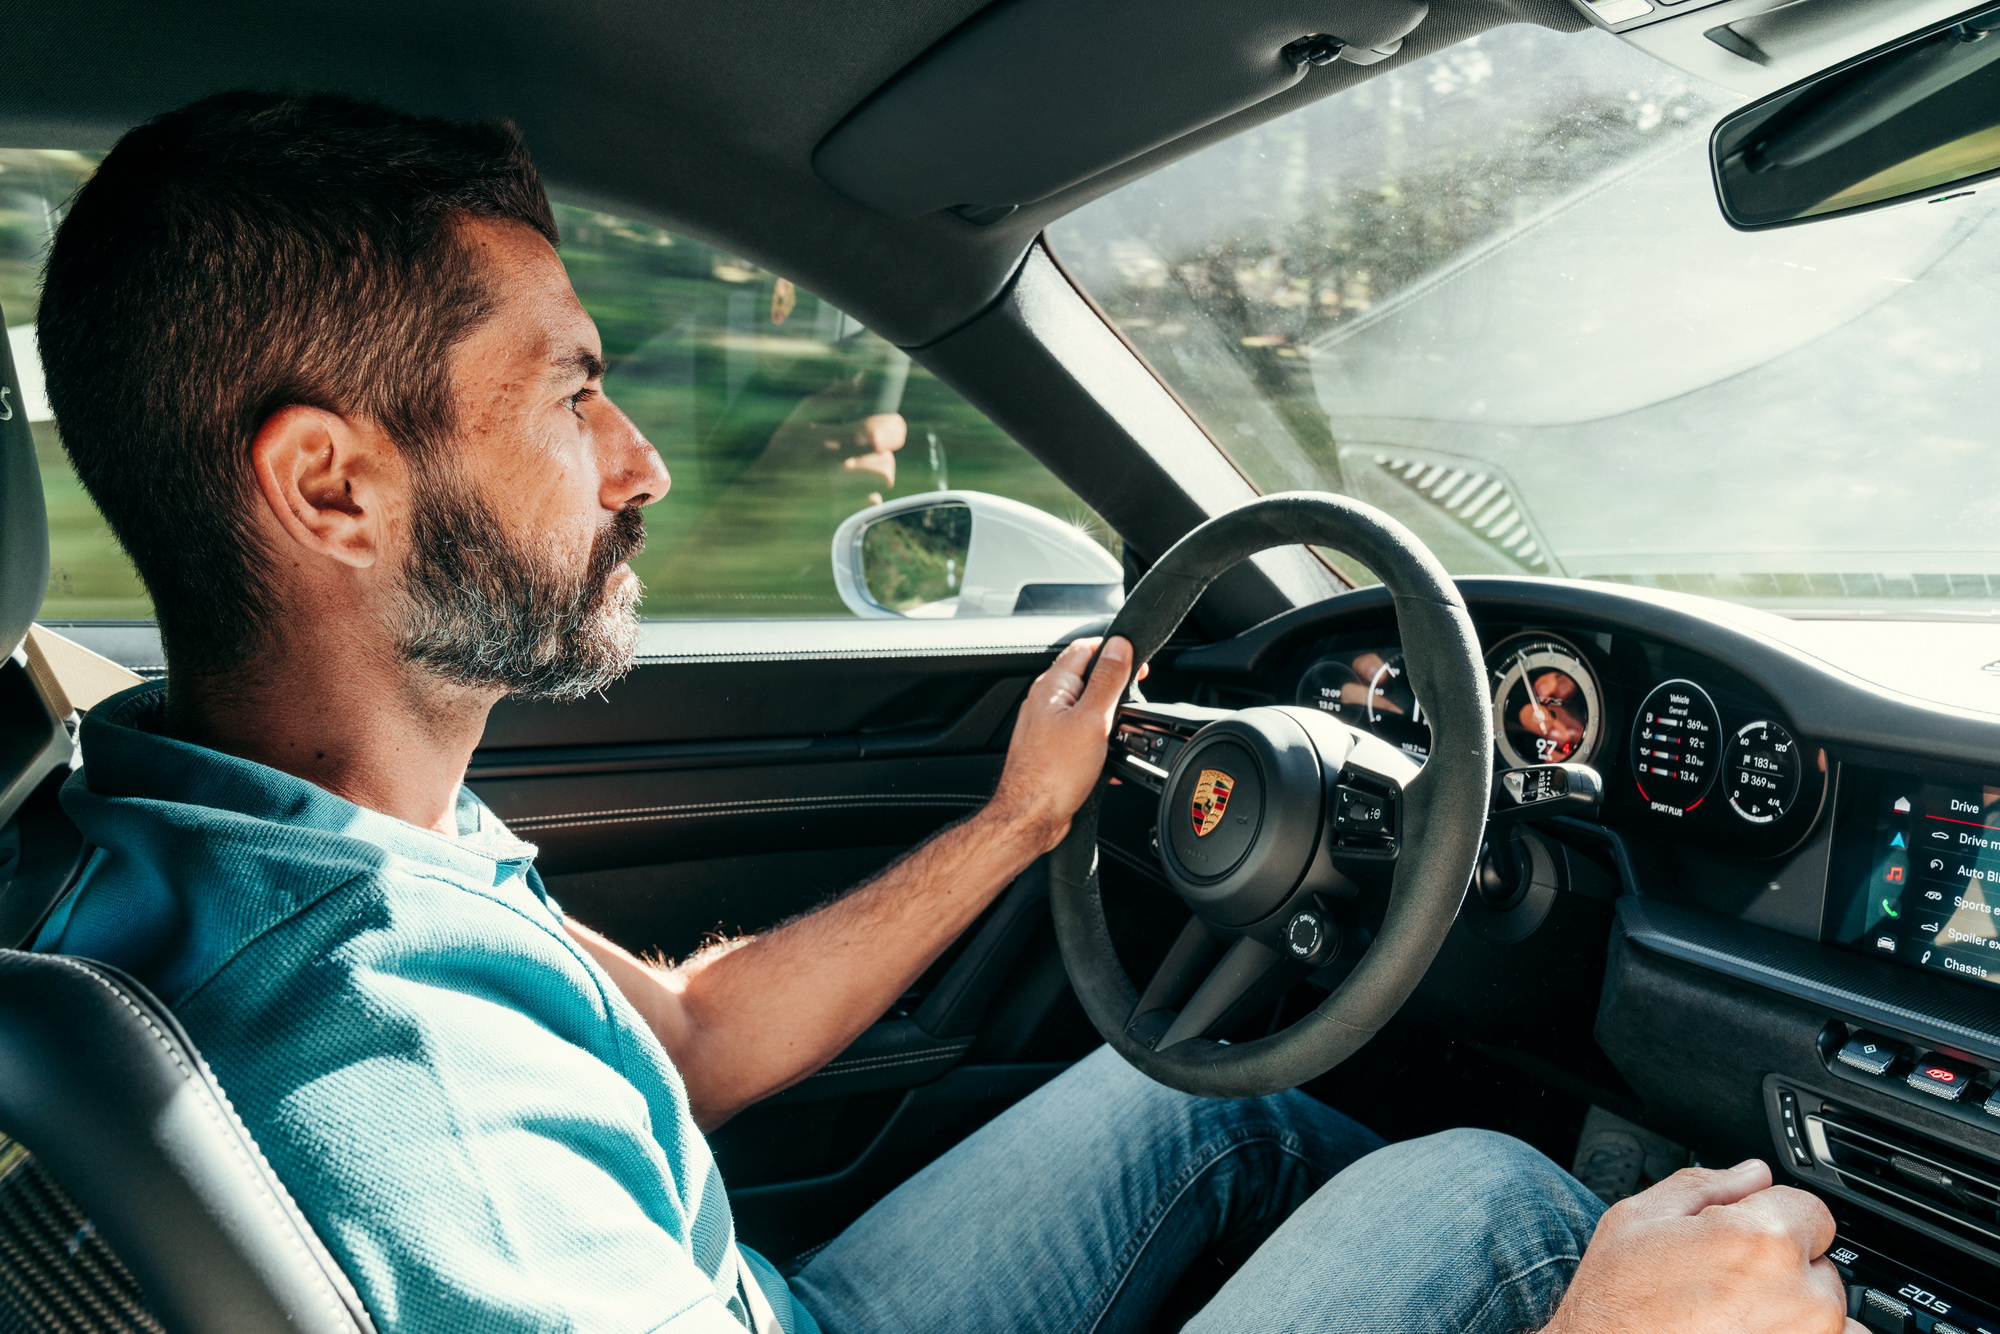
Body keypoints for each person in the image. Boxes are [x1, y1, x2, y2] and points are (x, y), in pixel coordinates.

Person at [30, 91, 1862, 1334]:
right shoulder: (395, 1079)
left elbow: (671, 1038)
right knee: (1478, 1203)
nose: (641, 460)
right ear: (331, 490)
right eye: (569, 395)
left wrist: (1019, 819)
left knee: (1200, 1112)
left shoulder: (227, 816)